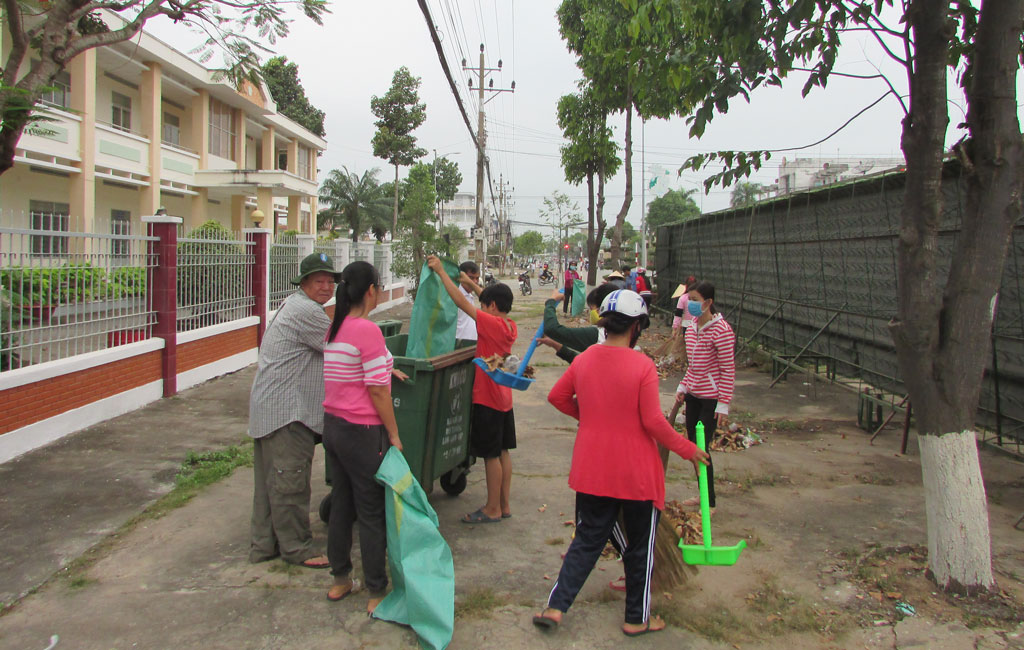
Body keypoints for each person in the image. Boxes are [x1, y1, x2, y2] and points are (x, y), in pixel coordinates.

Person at [534, 290, 710, 636]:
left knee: (587, 539)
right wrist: (689, 449)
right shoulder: (642, 365)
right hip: (635, 473)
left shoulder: (584, 359)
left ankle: (555, 607)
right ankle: (636, 618)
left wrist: (589, 418)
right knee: (641, 548)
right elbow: (653, 422)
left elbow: (557, 396)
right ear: (637, 327)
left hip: (592, 468)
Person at [321, 260, 404, 612]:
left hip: (334, 428)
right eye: (379, 285)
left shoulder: (336, 328)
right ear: (371, 290)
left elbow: (362, 368)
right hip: (363, 432)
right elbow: (377, 392)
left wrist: (389, 368)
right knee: (371, 511)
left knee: (342, 504)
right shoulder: (366, 330)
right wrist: (394, 434)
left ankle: (341, 579)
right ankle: (375, 591)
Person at [247, 252, 337, 569]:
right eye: (318, 281)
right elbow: (339, 348)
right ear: (304, 283)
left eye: (330, 281)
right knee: (290, 481)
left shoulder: (297, 304)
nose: (326, 287)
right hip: (288, 411)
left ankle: (264, 545)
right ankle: (297, 548)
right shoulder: (306, 311)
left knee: (271, 481)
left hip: (271, 407)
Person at [426, 255, 518, 524]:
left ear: (491, 306)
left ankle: (491, 509)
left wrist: (442, 272)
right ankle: (504, 504)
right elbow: (487, 300)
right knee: (503, 452)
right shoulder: (509, 325)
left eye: (485, 302)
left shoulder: (489, 323)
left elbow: (461, 302)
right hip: (504, 398)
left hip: (487, 397)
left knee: (490, 455)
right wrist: (469, 281)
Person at [675, 281, 735, 510]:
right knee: (693, 446)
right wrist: (683, 387)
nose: (691, 304)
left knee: (702, 448)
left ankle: (709, 502)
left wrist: (723, 404)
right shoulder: (691, 328)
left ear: (708, 302)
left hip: (711, 398)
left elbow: (727, 369)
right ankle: (703, 493)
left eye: (696, 300)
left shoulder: (722, 331)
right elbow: (694, 366)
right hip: (693, 394)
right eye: (689, 300)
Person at [537, 285, 617, 363]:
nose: (593, 313)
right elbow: (583, 364)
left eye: (593, 309)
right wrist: (556, 345)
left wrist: (551, 301)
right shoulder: (623, 335)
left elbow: (552, 329)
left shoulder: (600, 334)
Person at [456, 261, 483, 342]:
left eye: (477, 278)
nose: (474, 282)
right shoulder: (456, 296)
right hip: (458, 345)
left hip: (472, 345)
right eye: (471, 278)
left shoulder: (470, 295)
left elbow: (486, 298)